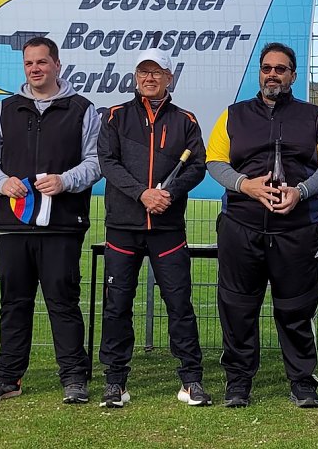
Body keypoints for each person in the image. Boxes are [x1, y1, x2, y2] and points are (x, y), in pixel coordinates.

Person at [206, 42, 318, 408]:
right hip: (241, 227)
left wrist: (301, 191)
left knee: (296, 310)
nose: (273, 75)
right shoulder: (233, 115)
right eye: (267, 68)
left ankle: (302, 382)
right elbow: (215, 161)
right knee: (237, 309)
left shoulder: (315, 117)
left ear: (293, 76)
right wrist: (243, 185)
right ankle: (238, 382)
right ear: (260, 73)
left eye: (281, 69)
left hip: (297, 231)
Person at [0, 37, 101, 404]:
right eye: (29, 63)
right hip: (13, 225)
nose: (35, 69)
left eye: (42, 62)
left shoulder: (82, 109)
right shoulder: (5, 109)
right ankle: (8, 377)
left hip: (62, 223)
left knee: (63, 300)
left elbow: (95, 163)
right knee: (14, 301)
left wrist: (65, 181)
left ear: (57, 65)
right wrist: (2, 182)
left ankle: (74, 378)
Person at [97, 48, 210, 408]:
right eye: (143, 72)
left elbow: (197, 167)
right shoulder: (115, 116)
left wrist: (169, 193)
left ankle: (191, 380)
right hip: (122, 227)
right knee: (116, 306)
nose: (149, 78)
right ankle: (115, 382)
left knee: (179, 305)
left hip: (168, 229)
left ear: (169, 77)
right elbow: (108, 163)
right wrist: (142, 194)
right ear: (135, 77)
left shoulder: (186, 121)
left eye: (156, 72)